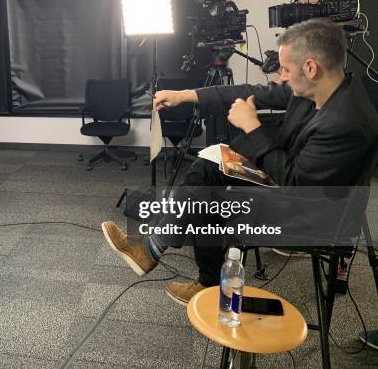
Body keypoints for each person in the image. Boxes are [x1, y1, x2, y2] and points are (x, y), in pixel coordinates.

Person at [102, 18, 378, 305]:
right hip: (297, 181)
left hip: (315, 216)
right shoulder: (322, 86)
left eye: (285, 69)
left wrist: (252, 128)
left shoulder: (347, 122)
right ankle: (158, 253)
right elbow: (252, 92)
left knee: (204, 198)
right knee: (205, 169)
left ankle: (186, 271)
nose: (281, 77)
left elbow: (297, 185)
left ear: (310, 67)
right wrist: (185, 95)